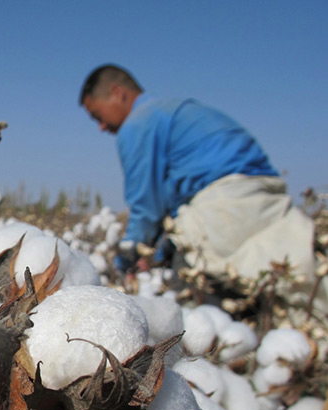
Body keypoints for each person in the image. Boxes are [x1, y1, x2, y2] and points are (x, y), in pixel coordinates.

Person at [79, 64, 326, 320]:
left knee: (192, 299)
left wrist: (125, 260)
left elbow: (146, 207)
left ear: (118, 93)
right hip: (264, 195)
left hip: (224, 202)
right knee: (290, 284)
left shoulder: (139, 123)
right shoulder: (177, 110)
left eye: (98, 116)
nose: (101, 127)